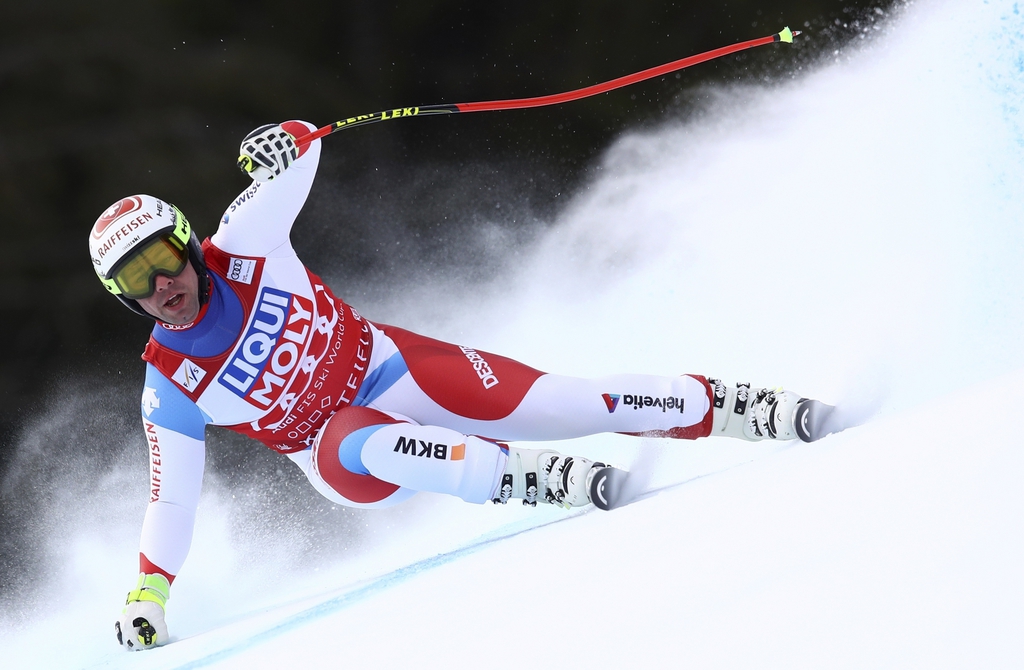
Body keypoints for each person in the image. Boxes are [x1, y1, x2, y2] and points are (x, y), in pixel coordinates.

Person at [91, 121, 833, 651]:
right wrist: (149, 594)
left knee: (569, 402)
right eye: (134, 280)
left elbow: (302, 151)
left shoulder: (244, 244)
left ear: (187, 243)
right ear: (124, 300)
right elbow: (173, 498)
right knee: (357, 438)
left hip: (398, 368)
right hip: (338, 454)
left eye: (162, 258)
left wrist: (282, 137)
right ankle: (528, 480)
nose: (161, 285)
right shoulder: (169, 385)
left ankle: (735, 407)